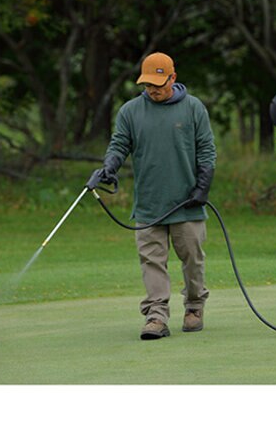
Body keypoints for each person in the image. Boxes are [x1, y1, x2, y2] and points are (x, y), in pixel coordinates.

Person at [87, 52, 216, 340]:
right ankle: (156, 316)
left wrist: (203, 186)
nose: (152, 90)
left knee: (192, 259)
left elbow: (207, 150)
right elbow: (119, 144)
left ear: (173, 78)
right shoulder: (130, 111)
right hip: (148, 204)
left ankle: (194, 306)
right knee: (152, 261)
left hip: (188, 202)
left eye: (158, 84)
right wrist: (109, 167)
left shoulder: (194, 108)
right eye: (147, 84)